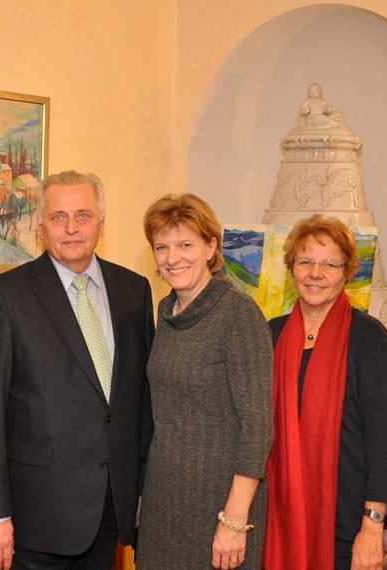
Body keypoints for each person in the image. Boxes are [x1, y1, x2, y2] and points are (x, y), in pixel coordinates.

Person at [0, 170, 155, 570]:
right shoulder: (5, 295)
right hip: (35, 519)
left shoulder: (133, 291)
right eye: (58, 217)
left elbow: (140, 402)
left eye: (83, 215)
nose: (71, 228)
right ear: (39, 226)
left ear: (102, 223)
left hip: (110, 510)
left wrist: (139, 490)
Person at [136, 194, 273, 570]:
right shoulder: (166, 312)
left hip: (221, 505)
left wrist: (233, 519)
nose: (172, 257)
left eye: (185, 244)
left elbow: (257, 427)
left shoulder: (238, 315)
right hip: (165, 503)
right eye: (161, 247)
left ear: (211, 247)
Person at [263, 214, 387, 570]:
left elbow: (386, 441)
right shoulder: (270, 335)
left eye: (329, 264)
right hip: (275, 523)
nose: (316, 273)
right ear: (291, 268)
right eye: (305, 261)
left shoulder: (369, 339)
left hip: (345, 530)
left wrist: (372, 529)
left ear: (347, 272)